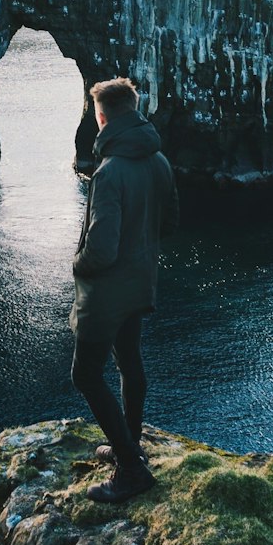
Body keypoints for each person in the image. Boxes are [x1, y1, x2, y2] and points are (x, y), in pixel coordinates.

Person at [70, 77, 179, 502]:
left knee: (85, 375)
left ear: (100, 118)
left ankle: (131, 470)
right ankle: (128, 445)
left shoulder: (110, 171)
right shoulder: (160, 162)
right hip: (140, 282)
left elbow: (101, 248)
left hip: (108, 293)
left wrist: (78, 263)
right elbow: (168, 223)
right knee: (129, 362)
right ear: (134, 110)